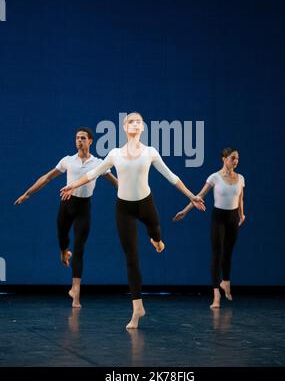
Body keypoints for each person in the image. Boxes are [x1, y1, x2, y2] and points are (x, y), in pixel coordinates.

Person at [60, 112, 205, 329]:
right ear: (125, 127)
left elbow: (171, 176)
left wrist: (191, 195)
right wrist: (73, 185)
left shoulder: (150, 152)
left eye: (138, 121)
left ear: (143, 128)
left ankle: (156, 240)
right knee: (131, 257)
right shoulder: (115, 153)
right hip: (124, 209)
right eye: (130, 121)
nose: (134, 124)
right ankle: (138, 307)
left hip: (146, 205)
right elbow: (93, 174)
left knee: (156, 234)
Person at [14, 127, 118, 308]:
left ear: (90, 141)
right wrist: (27, 194)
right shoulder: (67, 161)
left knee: (79, 247)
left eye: (83, 138)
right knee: (63, 238)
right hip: (66, 206)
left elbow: (117, 183)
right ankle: (63, 251)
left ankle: (75, 291)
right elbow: (47, 178)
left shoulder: (98, 163)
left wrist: (134, 194)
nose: (79, 141)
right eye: (77, 138)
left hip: (84, 207)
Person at [173, 147, 245, 309]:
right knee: (217, 254)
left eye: (237, 158)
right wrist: (185, 211)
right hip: (218, 218)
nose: (235, 161)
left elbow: (240, 198)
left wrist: (242, 214)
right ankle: (216, 295)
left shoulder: (240, 178)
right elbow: (199, 197)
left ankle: (225, 282)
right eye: (233, 158)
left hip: (233, 219)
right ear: (224, 159)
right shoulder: (214, 177)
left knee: (228, 253)